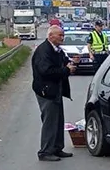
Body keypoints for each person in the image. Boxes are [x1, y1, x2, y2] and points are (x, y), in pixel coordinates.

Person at [32, 26, 77, 161]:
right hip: (46, 90)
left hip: (55, 89)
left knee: (58, 119)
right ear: (51, 36)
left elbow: (63, 62)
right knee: (50, 121)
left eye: (63, 35)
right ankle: (45, 151)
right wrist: (66, 70)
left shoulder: (56, 50)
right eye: (60, 36)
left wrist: (71, 63)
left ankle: (57, 148)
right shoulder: (43, 51)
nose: (62, 38)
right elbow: (46, 71)